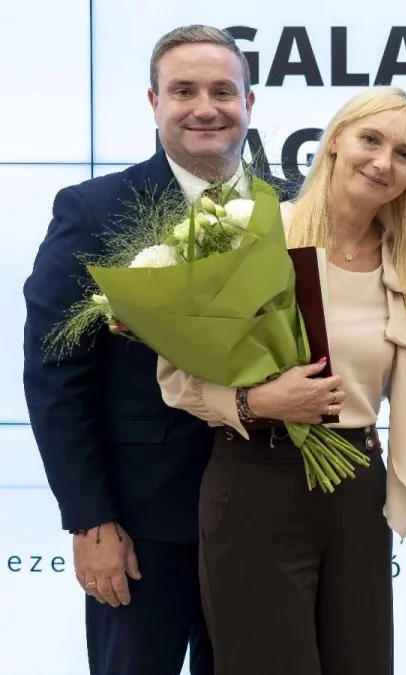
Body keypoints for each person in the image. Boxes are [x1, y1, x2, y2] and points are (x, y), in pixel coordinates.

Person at [21, 25, 293, 675]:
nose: (205, 108)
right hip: (141, 528)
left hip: (268, 521)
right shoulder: (94, 210)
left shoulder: (293, 206)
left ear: (249, 103)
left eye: (223, 91)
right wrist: (90, 520)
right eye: (183, 91)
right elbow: (57, 373)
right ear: (154, 102)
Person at [156, 86, 406, 675]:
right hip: (257, 482)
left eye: (405, 155)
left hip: (358, 489)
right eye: (370, 140)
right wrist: (255, 400)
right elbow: (176, 378)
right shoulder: (253, 234)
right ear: (334, 140)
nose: (383, 162)